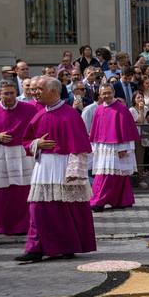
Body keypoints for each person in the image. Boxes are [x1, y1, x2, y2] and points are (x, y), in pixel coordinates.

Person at [16, 77, 96, 263]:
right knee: (38, 209)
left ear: (53, 91)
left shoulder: (70, 115)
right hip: (43, 166)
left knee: (65, 210)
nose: (35, 92)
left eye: (39, 89)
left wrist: (75, 173)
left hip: (64, 167)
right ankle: (36, 248)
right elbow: (26, 142)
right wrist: (37, 143)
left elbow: (80, 146)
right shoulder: (39, 113)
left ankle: (67, 246)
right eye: (34, 89)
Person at [0, 81, 39, 234]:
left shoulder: (29, 109)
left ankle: (28, 225)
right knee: (6, 194)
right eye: (6, 93)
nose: (10, 96)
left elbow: (37, 130)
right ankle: (5, 226)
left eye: (12, 93)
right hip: (2, 156)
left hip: (24, 156)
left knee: (25, 191)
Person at [89, 84, 140, 211]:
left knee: (109, 176)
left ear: (113, 93)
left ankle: (98, 201)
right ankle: (123, 199)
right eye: (103, 93)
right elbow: (96, 130)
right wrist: (94, 146)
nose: (106, 95)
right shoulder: (99, 109)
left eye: (108, 93)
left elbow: (125, 130)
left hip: (117, 146)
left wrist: (123, 147)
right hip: (103, 147)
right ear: (99, 95)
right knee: (113, 174)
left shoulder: (121, 108)